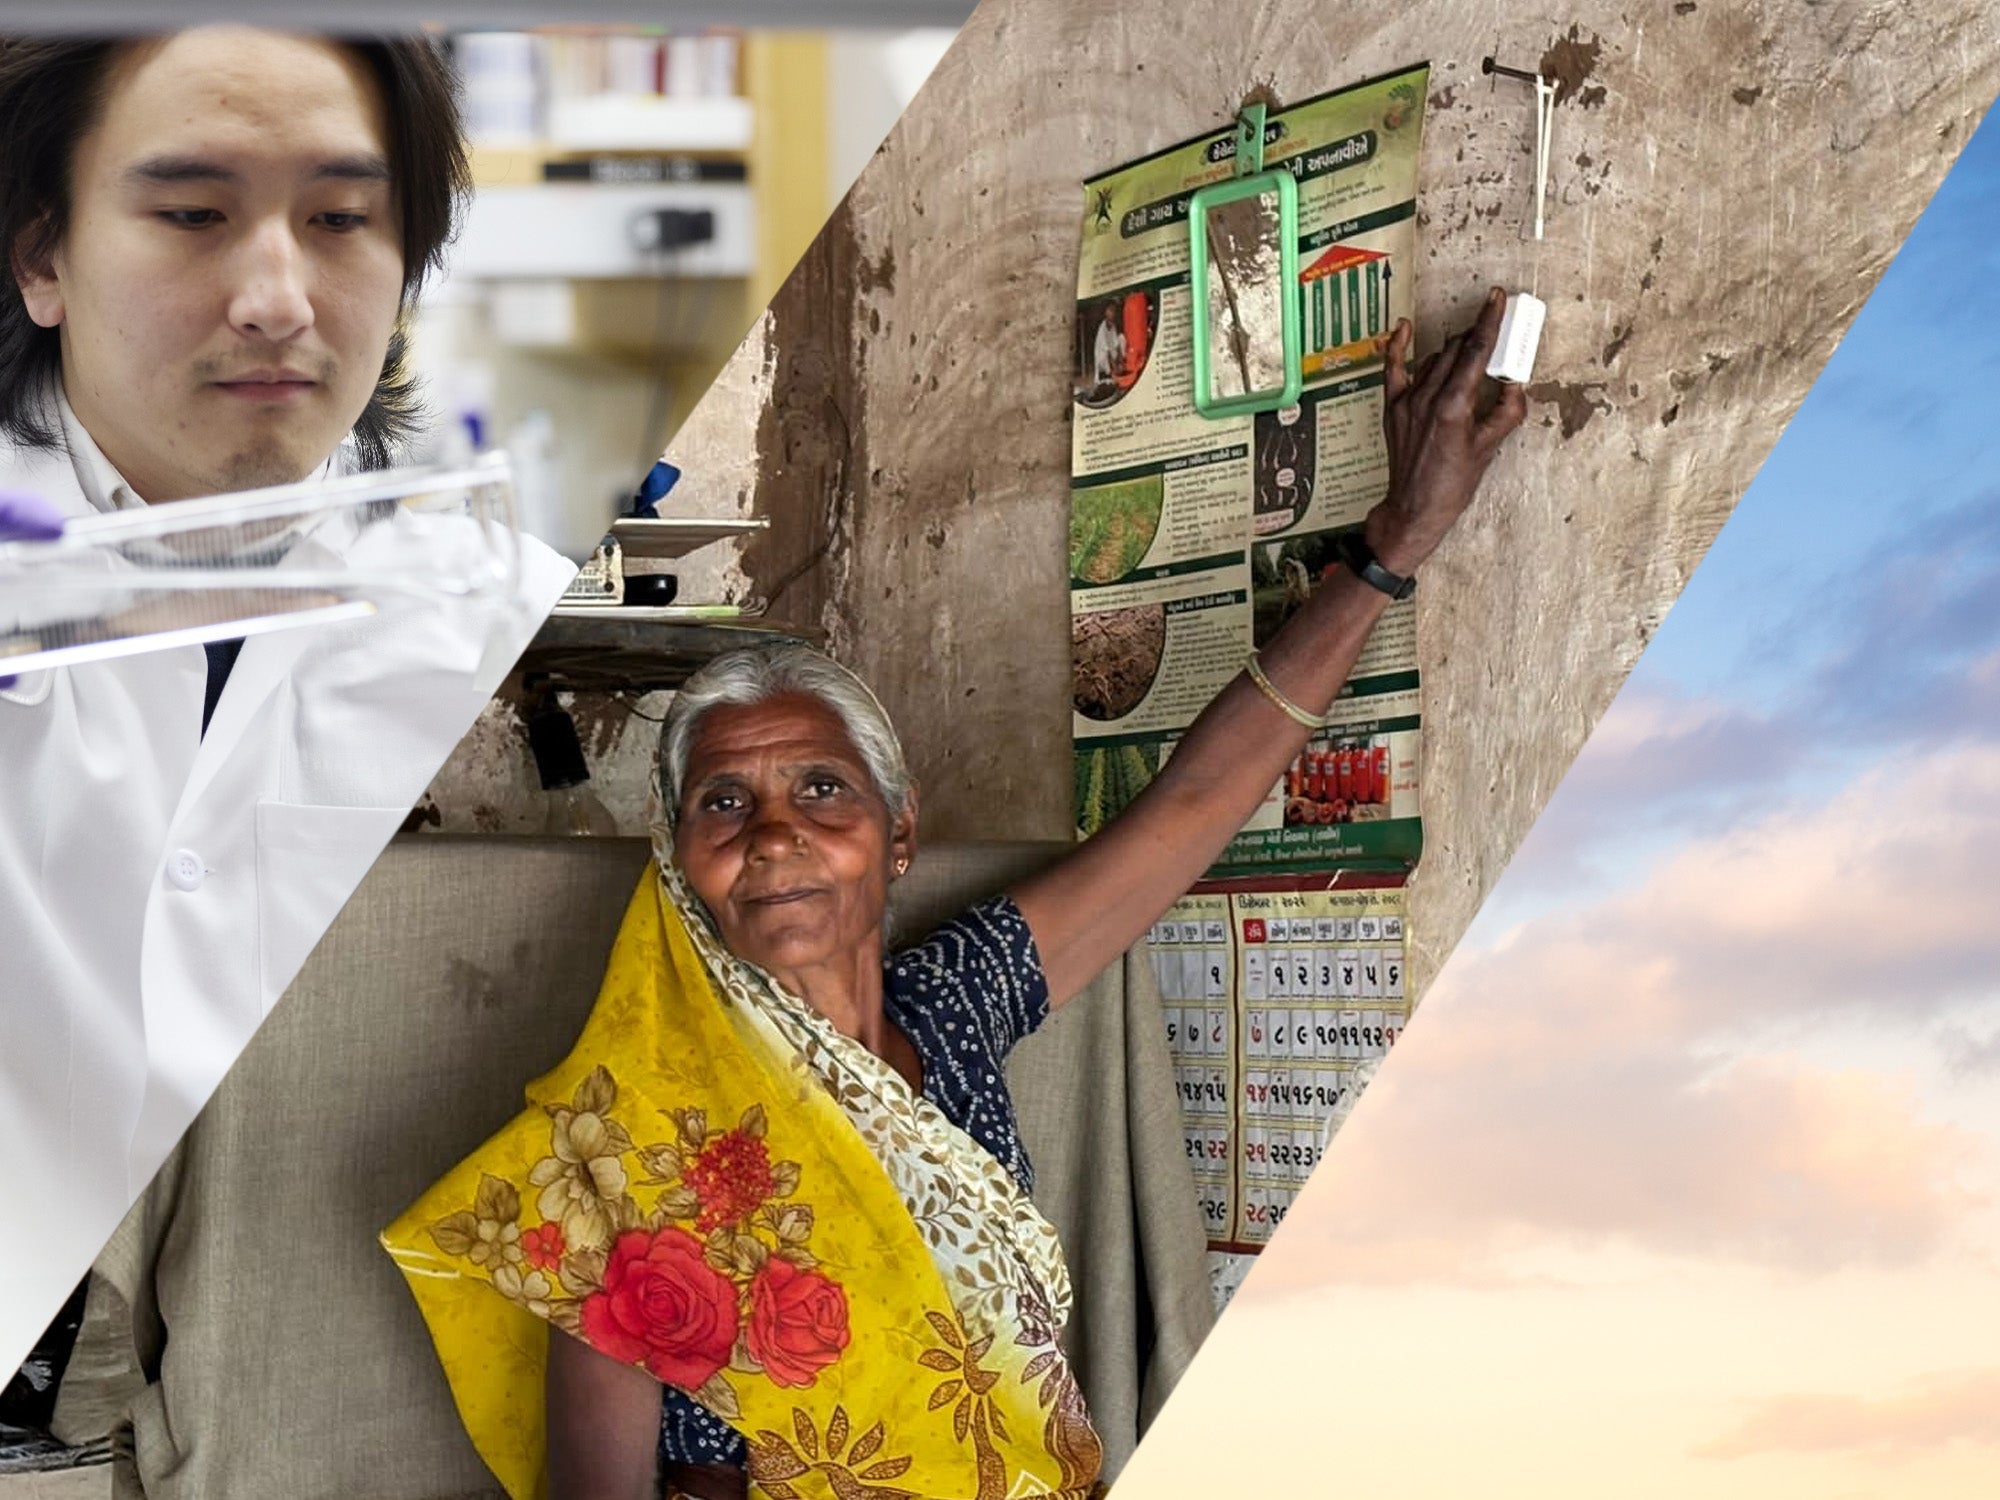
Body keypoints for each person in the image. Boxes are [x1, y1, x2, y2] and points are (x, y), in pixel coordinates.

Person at [383, 290, 1527, 1500]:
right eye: (723, 803)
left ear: (897, 836)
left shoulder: (952, 1011)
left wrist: (1393, 545)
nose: (773, 835)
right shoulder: (620, 1162)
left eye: (820, 790)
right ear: (679, 861)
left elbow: (1189, 811)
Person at [0, 27, 575, 1383]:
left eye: (340, 220)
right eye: (193, 213)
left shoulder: (469, 593)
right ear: (43, 258)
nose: (275, 296)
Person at [1091, 301, 1126, 384]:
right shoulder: (1102, 328)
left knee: (1122, 338)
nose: (1113, 313)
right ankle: (1109, 375)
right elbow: (1107, 351)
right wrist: (1115, 367)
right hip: (1104, 358)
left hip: (1112, 354)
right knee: (1106, 357)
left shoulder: (1112, 325)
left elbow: (1117, 345)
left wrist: (1120, 361)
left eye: (1114, 311)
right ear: (1105, 312)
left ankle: (1118, 369)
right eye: (1110, 310)